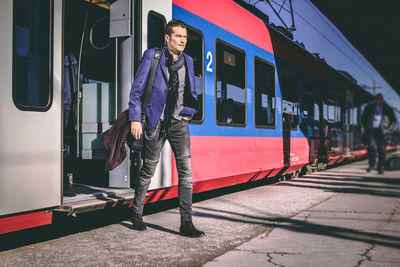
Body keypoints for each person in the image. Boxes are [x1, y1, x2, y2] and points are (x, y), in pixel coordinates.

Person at [128, 19, 204, 237]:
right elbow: (136, 91)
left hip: (178, 122)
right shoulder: (152, 56)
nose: (182, 40)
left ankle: (186, 223)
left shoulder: (188, 61)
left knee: (186, 173)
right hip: (155, 121)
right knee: (148, 169)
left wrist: (188, 112)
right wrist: (135, 118)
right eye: (178, 36)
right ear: (167, 38)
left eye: (185, 37)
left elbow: (192, 92)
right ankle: (137, 213)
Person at [361, 93, 396, 174]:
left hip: (382, 132)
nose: (378, 100)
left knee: (382, 150)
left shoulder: (388, 109)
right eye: (377, 99)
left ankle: (380, 167)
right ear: (375, 100)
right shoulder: (369, 107)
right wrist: (367, 128)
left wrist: (388, 130)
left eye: (380, 99)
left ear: (382, 100)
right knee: (371, 148)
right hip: (371, 131)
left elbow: (393, 120)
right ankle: (371, 165)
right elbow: (363, 118)